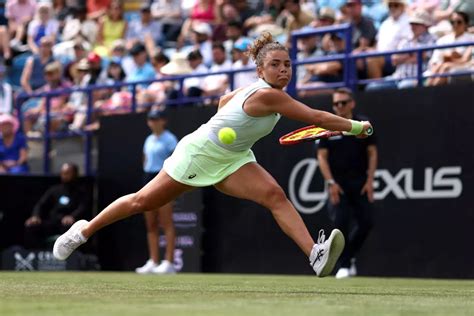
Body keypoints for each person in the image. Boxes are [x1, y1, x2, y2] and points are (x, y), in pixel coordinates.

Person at [53, 32, 373, 277]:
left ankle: (315, 256)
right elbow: (317, 118)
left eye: (287, 64)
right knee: (142, 202)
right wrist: (357, 127)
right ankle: (83, 230)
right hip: (200, 152)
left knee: (275, 195)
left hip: (234, 156)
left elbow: (223, 101)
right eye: (275, 65)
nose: (283, 70)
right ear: (261, 69)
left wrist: (229, 129)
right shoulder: (267, 96)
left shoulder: (254, 90)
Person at [316, 87, 378, 279]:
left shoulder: (362, 124)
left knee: (366, 223)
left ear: (352, 103)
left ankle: (347, 258)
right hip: (338, 184)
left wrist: (369, 180)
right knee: (340, 225)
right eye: (336, 103)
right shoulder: (327, 127)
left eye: (343, 102)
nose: (339, 106)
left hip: (360, 182)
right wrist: (331, 183)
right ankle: (344, 264)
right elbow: (322, 157)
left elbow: (372, 153)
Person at [135, 109, 178, 274]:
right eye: (150, 120)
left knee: (166, 222)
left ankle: (168, 263)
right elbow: (145, 159)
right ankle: (153, 261)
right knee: (151, 223)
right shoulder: (148, 140)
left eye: (156, 119)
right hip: (148, 178)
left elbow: (175, 159)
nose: (153, 122)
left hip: (163, 178)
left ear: (163, 121)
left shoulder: (170, 139)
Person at [24, 163, 89, 249]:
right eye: (63, 173)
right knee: (32, 226)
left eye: (67, 173)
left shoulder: (81, 192)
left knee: (69, 228)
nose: (64, 176)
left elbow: (82, 207)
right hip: (52, 222)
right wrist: (35, 216)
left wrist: (72, 216)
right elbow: (41, 204)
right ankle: (36, 254)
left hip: (69, 225)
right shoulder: (54, 190)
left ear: (75, 174)